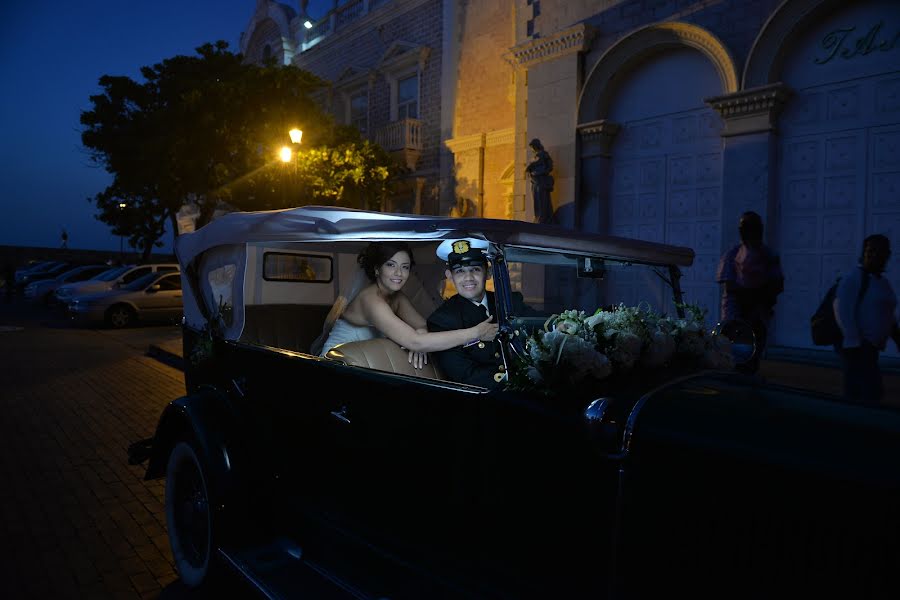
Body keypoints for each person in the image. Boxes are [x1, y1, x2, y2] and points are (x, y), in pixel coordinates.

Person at [316, 242, 497, 368]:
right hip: (335, 365)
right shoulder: (370, 300)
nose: (399, 273)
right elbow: (415, 342)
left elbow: (421, 326)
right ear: (377, 269)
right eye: (391, 265)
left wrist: (420, 340)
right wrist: (476, 333)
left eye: (405, 267)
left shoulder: (397, 297)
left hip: (363, 364)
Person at [427, 239, 536, 388]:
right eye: (460, 271)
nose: (468, 278)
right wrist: (517, 383)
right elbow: (466, 376)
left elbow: (538, 324)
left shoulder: (508, 302)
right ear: (450, 276)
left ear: (489, 272)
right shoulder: (442, 320)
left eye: (475, 269)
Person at [834, 234, 900, 406]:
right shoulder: (853, 279)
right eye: (870, 251)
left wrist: (896, 335)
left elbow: (886, 312)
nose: (874, 255)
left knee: (866, 392)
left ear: (888, 254)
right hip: (858, 348)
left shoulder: (882, 282)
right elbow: (842, 310)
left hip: (871, 348)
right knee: (868, 391)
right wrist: (853, 342)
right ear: (863, 253)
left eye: (880, 251)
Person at [715, 211, 784, 373]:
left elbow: (777, 285)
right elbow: (730, 286)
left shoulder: (769, 255)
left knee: (753, 357)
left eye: (754, 228)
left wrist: (762, 300)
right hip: (736, 314)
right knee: (733, 357)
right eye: (747, 228)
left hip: (759, 313)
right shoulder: (732, 255)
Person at [525, 138, 554, 224]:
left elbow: (550, 167)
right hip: (535, 181)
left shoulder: (544, 155)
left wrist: (542, 172)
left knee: (542, 200)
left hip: (541, 181)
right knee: (536, 200)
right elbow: (528, 168)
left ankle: (543, 217)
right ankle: (538, 216)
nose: (533, 149)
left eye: (534, 146)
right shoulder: (534, 157)